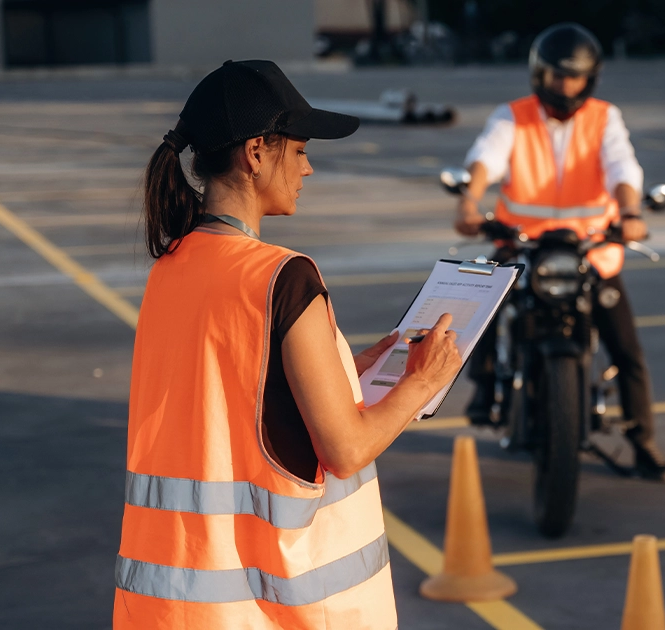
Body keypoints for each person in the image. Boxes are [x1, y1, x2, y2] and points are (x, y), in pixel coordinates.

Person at [114, 60, 462, 629]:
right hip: (267, 609)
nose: (309, 167)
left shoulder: (172, 269)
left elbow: (232, 394)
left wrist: (344, 369)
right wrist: (423, 380)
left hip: (170, 605)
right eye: (298, 151)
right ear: (256, 153)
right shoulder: (283, 277)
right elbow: (346, 449)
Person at [454, 23, 665, 483]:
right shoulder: (513, 115)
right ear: (541, 74)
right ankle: (483, 386)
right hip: (522, 246)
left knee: (626, 347)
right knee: (484, 310)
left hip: (591, 252)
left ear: (590, 78)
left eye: (575, 76)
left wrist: (632, 211)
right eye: (558, 75)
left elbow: (623, 166)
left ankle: (644, 441)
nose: (566, 85)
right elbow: (486, 158)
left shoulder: (604, 118)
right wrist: (469, 199)